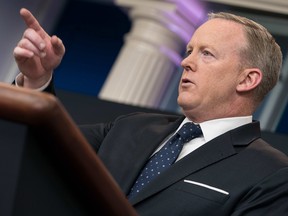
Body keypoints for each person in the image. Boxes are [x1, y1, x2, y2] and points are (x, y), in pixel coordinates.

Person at [13, 8, 288, 215]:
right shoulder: (131, 127)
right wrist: (37, 81)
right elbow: (44, 147)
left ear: (247, 80)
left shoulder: (273, 174)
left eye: (207, 54)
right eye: (189, 50)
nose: (185, 62)